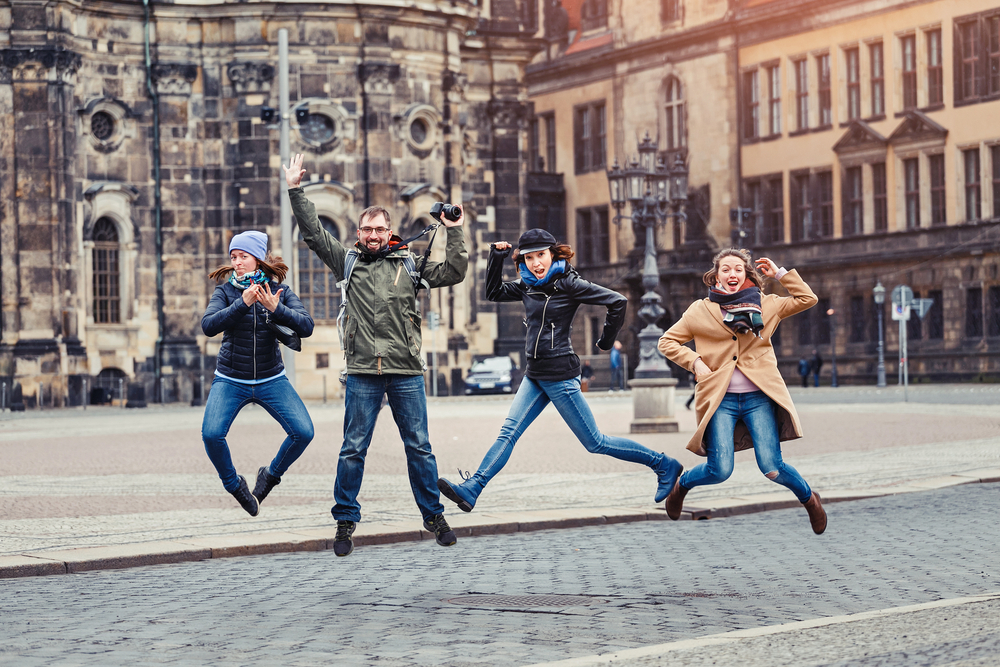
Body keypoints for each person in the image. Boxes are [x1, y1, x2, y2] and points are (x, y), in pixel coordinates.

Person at [284, 153, 467, 557]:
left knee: (419, 446)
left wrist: (454, 231)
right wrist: (296, 190)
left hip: (406, 371)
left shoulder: (411, 264)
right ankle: (345, 521)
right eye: (366, 229)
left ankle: (433, 516)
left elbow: (454, 273)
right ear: (358, 231)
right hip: (364, 371)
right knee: (353, 448)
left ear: (390, 231)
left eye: (379, 229)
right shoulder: (346, 261)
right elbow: (314, 234)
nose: (372, 234)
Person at [437, 229, 683, 513]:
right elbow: (493, 292)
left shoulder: (569, 283)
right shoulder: (527, 285)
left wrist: (605, 340)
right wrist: (496, 258)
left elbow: (618, 301)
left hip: (561, 375)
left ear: (552, 254)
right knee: (508, 433)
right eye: (529, 258)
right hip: (535, 374)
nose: (535, 263)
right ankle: (474, 487)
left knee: (596, 442)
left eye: (541, 255)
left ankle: (663, 464)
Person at [657, 248, 827, 534]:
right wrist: (695, 362)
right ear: (717, 275)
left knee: (772, 466)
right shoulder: (700, 310)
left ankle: (810, 500)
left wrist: (780, 275)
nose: (732, 274)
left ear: (746, 274)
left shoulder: (766, 304)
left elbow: (807, 299)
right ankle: (680, 487)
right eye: (726, 269)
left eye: (738, 269)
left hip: (758, 398)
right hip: (720, 400)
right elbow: (667, 341)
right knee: (719, 470)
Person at [201, 230, 315, 516]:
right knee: (212, 434)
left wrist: (277, 309)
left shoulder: (280, 291)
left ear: (258, 260)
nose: (237, 263)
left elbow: (307, 326)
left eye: (243, 257)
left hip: (271, 378)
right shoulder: (225, 291)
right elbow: (208, 325)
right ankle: (234, 485)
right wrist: (243, 303)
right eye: (234, 257)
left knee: (303, 432)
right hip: (230, 378)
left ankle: (270, 475)